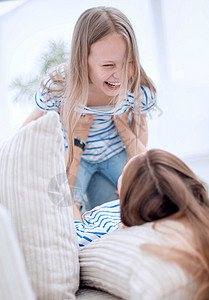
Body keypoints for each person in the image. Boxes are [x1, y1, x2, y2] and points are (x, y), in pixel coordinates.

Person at [22, 6, 156, 212]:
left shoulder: (137, 89)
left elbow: (139, 132)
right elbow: (29, 128)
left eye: (128, 62)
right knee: (61, 206)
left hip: (115, 152)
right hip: (77, 157)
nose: (119, 76)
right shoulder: (57, 87)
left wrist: (131, 171)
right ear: (82, 60)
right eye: (108, 66)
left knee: (147, 197)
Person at [73, 148, 209, 299]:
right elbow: (150, 171)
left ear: (127, 193)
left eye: (124, 172)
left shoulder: (106, 231)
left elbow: (76, 232)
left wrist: (73, 206)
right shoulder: (161, 197)